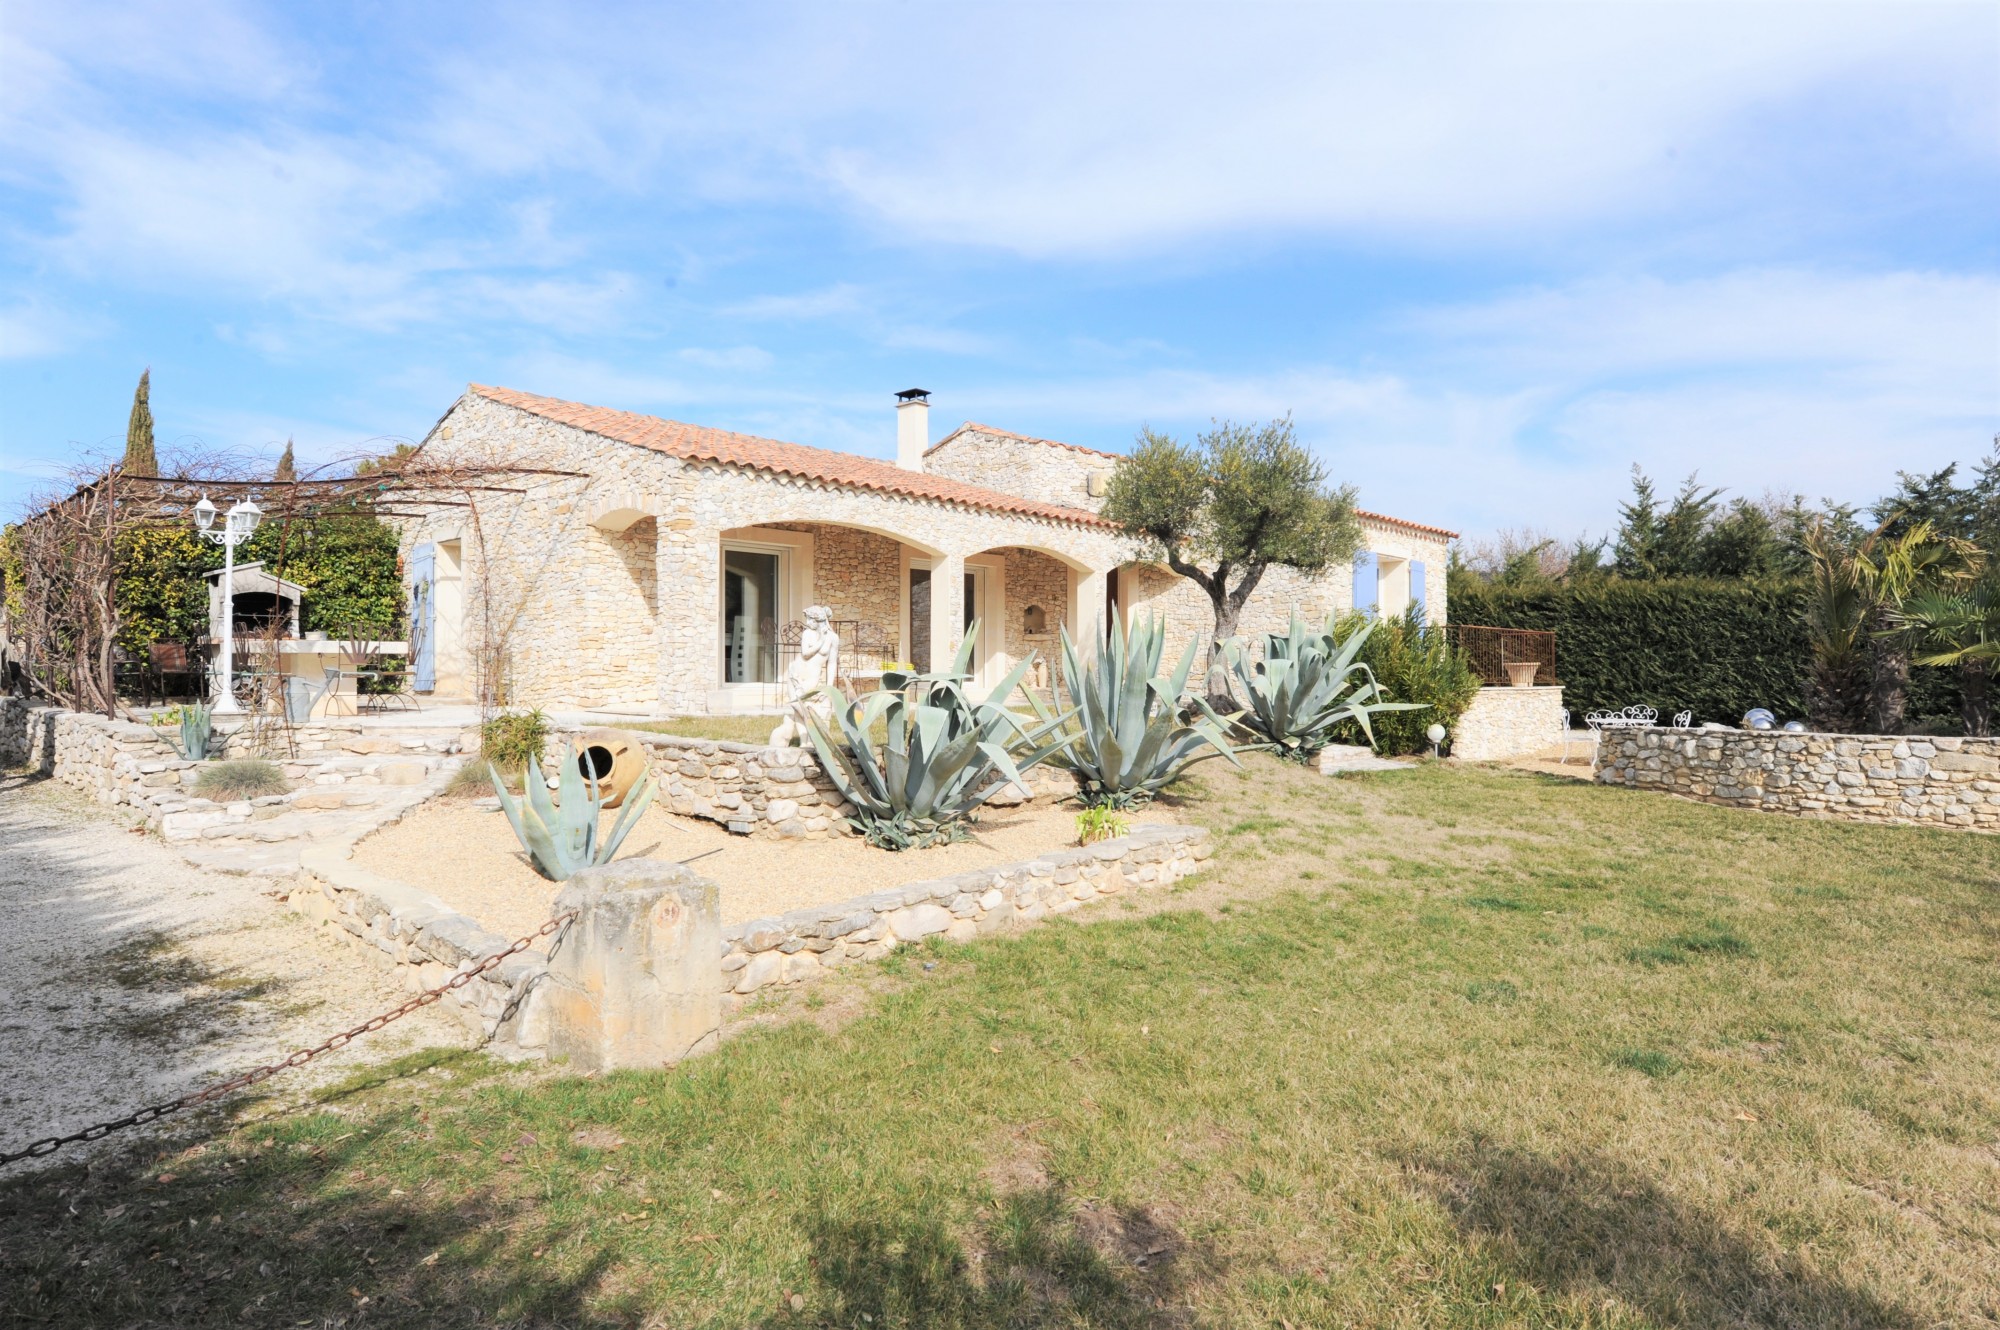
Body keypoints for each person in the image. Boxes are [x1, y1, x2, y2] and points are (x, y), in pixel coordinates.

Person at [769, 606, 840, 747]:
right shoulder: (807, 633)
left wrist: (829, 687)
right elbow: (805, 653)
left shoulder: (833, 638)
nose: (807, 622)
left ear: (818, 619)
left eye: (810, 619)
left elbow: (832, 664)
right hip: (796, 673)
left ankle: (813, 738)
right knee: (797, 706)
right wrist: (821, 640)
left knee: (806, 707)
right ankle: (804, 742)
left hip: (812, 678)